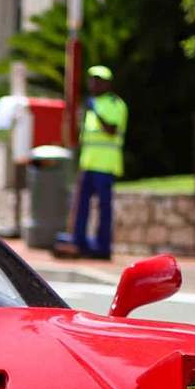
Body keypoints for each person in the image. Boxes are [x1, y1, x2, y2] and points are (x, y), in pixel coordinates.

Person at [71, 64, 127, 260]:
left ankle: (103, 248)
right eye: (92, 79)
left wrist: (95, 111)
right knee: (81, 207)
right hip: (88, 164)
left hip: (105, 166)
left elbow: (111, 130)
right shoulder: (89, 106)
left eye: (98, 79)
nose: (93, 83)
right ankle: (80, 244)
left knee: (104, 209)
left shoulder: (115, 104)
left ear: (107, 83)